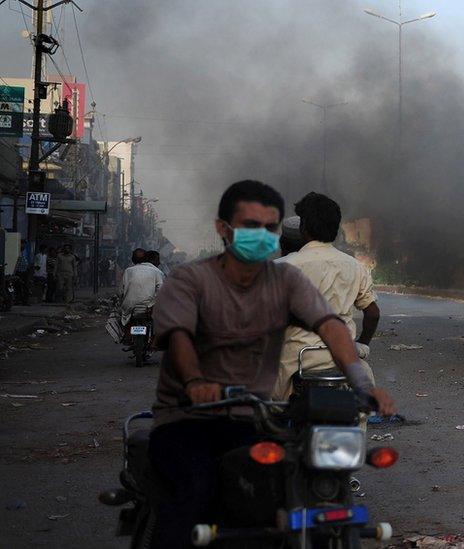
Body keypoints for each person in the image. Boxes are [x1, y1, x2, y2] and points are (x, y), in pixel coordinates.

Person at [147, 180, 394, 549]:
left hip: (250, 415)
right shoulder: (189, 281)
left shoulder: (284, 278)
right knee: (195, 494)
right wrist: (196, 379)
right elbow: (179, 337)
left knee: (267, 498)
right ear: (224, 229)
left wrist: (361, 382)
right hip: (191, 417)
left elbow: (329, 326)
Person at [273, 193, 380, 400]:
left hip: (294, 364)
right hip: (342, 361)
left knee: (270, 411)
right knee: (360, 407)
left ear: (303, 228)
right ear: (336, 230)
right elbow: (373, 313)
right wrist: (362, 345)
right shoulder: (355, 266)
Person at [120, 248, 164, 326]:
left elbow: (121, 291)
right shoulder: (157, 271)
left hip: (129, 308)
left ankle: (125, 335)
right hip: (149, 308)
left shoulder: (128, 271)